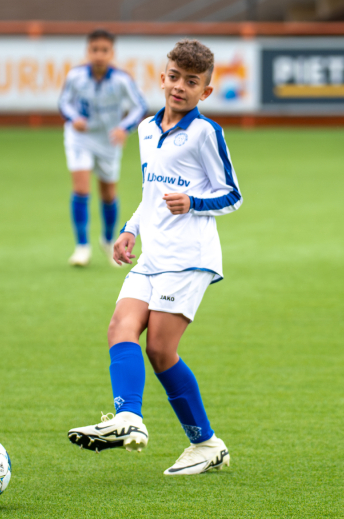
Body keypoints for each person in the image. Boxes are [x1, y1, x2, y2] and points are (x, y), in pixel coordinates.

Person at [68, 39, 242, 475]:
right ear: (162, 77)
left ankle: (206, 444)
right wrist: (129, 229)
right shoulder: (145, 128)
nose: (179, 86)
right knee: (119, 327)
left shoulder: (206, 133)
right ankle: (128, 419)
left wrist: (195, 203)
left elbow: (232, 195)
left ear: (205, 91)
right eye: (174, 77)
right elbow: (150, 194)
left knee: (161, 350)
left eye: (192, 82)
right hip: (152, 253)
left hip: (189, 257)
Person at [58, 29, 147, 266]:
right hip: (80, 138)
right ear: (88, 52)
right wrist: (73, 118)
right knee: (81, 189)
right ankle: (81, 247)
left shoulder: (121, 80)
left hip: (108, 140)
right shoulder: (76, 76)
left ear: (112, 53)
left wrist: (124, 128)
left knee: (108, 193)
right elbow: (64, 102)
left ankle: (107, 241)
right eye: (94, 50)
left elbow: (140, 106)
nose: (99, 55)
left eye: (104, 50)